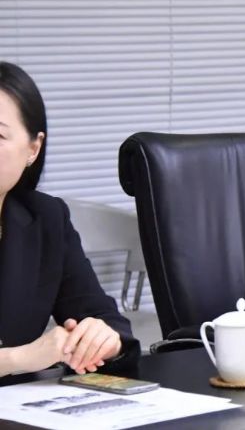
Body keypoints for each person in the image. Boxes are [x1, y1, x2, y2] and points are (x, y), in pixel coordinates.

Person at [0, 61, 139, 377]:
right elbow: (26, 357)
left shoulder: (46, 218)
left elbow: (101, 316)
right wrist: (19, 359)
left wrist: (101, 339)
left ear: (33, 148)